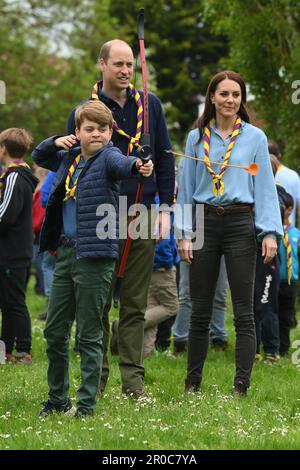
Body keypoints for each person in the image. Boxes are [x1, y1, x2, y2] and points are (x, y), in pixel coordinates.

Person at [67, 39, 175, 398]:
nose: (126, 71)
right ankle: (94, 380)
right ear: (102, 64)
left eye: (130, 64)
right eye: (118, 64)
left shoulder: (151, 104)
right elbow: (70, 166)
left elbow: (164, 156)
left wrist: (166, 208)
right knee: (98, 302)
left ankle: (133, 382)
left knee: (135, 301)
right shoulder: (85, 110)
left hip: (142, 211)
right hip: (101, 212)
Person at [32, 100, 153, 418]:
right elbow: (38, 156)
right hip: (66, 254)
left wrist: (140, 166)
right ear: (77, 132)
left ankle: (85, 404)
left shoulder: (109, 157)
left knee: (88, 333)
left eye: (103, 129)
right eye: (90, 129)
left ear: (111, 132)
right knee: (55, 331)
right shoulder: (68, 156)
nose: (97, 134)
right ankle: (58, 399)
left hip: (95, 257)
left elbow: (127, 166)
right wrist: (55, 141)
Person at [176, 70, 283, 396]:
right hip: (205, 222)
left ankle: (241, 385)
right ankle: (192, 383)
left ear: (242, 100)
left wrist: (269, 232)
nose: (229, 100)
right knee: (199, 309)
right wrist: (183, 232)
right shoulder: (196, 138)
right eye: (223, 94)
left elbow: (265, 187)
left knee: (243, 311)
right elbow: (186, 190)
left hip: (240, 223)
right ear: (212, 97)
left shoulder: (255, 137)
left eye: (235, 95)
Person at [0, 128, 38, 364]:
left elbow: (6, 215)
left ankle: (23, 350)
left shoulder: (14, 176)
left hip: (12, 252)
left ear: (3, 148)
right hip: (13, 251)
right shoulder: (14, 175)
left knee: (14, 302)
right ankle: (6, 349)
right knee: (8, 302)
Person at [278, 192, 300, 356]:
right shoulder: (274, 233)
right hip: (274, 280)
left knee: (286, 316)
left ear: (289, 210)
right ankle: (270, 342)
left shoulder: (296, 234)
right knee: (271, 313)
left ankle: (284, 348)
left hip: (291, 282)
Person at [268, 140, 300, 227]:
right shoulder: (293, 175)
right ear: (279, 155)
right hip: (288, 233)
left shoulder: (258, 174)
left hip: (265, 232)